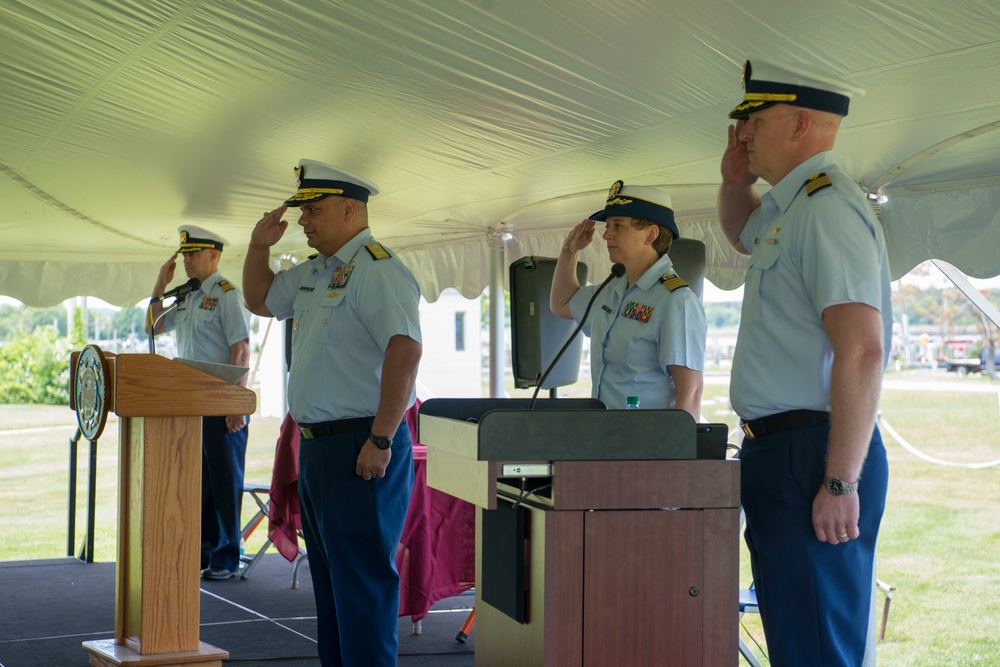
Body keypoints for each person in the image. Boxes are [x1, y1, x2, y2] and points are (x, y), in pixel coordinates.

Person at [718, 58, 893, 666]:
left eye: (752, 121)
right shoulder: (789, 207)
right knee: (798, 640)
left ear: (799, 124)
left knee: (819, 647)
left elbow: (862, 348)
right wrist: (735, 182)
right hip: (783, 451)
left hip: (814, 453)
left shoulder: (824, 209)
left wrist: (840, 479)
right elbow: (742, 234)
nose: (741, 134)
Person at [242, 159, 422, 667]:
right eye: (303, 212)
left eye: (314, 210)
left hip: (363, 445)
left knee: (362, 585)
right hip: (321, 448)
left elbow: (404, 353)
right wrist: (260, 246)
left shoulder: (379, 270)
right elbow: (258, 298)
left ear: (350, 209)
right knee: (331, 587)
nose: (303, 221)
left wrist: (382, 439)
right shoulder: (315, 272)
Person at [146, 225, 251, 581]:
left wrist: (236, 403)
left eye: (193, 254)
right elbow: (154, 327)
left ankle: (227, 556)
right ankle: (203, 551)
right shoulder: (188, 296)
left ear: (214, 256)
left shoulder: (226, 294)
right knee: (197, 482)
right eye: (185, 254)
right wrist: (160, 285)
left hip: (221, 404)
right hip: (189, 404)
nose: (187, 260)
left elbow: (241, 349)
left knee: (224, 481)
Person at [550, 181, 706, 419]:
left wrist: (676, 453)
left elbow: (691, 392)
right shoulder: (612, 289)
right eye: (608, 225)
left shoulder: (676, 301)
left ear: (651, 234)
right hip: (606, 437)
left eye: (618, 225)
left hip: (648, 446)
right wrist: (569, 252)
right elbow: (562, 304)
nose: (606, 234)